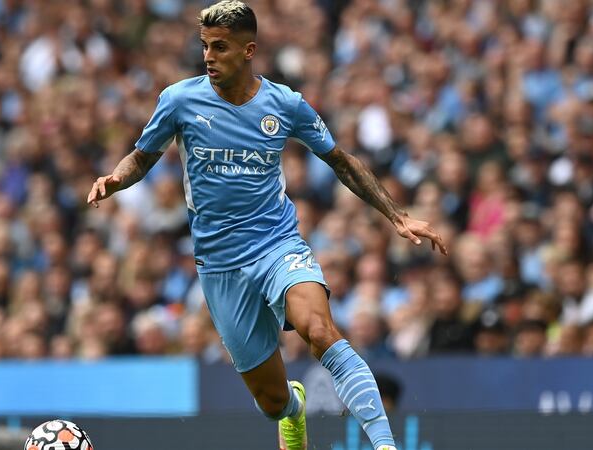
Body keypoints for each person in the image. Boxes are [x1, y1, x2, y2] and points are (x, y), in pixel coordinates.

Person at [86, 2, 447, 449]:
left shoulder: (285, 104)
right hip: (219, 265)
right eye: (204, 46)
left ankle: (385, 444)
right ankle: (293, 411)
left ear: (249, 49)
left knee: (319, 330)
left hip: (277, 244)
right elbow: (141, 157)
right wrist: (117, 179)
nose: (208, 57)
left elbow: (341, 161)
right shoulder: (179, 101)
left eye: (220, 47)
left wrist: (397, 215)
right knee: (272, 401)